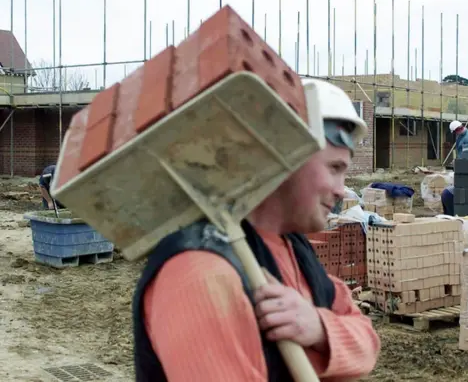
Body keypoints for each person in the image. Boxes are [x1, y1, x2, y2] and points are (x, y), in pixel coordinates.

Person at [132, 79, 381, 381]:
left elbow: (367, 344)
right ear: (286, 159)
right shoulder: (200, 271)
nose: (343, 191)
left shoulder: (293, 248)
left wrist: (319, 329)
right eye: (335, 168)